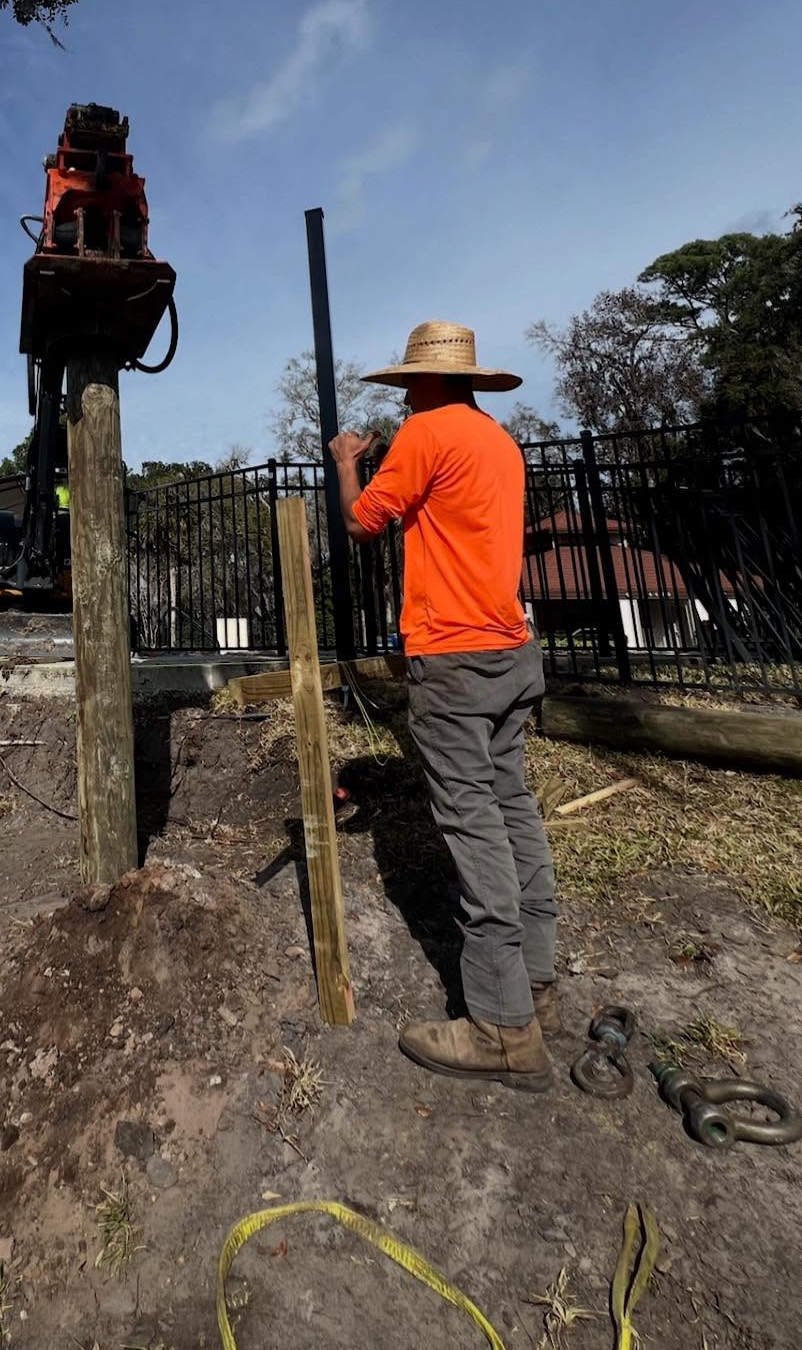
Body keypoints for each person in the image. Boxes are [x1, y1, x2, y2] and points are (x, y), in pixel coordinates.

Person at [328, 320, 559, 1093]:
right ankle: (537, 977)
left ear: (419, 382)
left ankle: (500, 1027)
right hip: (512, 649)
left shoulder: (426, 435)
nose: (403, 397)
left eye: (404, 386)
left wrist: (347, 468)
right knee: (511, 801)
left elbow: (363, 525)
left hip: (454, 659)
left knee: (471, 820)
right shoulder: (498, 440)